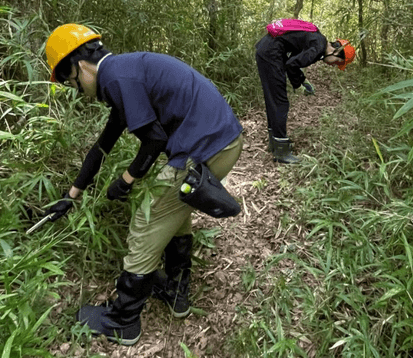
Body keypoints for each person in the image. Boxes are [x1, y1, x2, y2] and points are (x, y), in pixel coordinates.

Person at [43, 23, 244, 346]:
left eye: (72, 83)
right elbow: (102, 147)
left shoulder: (119, 78)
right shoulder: (122, 74)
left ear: (81, 66)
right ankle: (176, 293)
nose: (77, 91)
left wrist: (125, 181)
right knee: (173, 211)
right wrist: (71, 196)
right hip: (220, 142)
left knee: (145, 219)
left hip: (208, 147)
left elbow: (153, 140)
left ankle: (124, 320)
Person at [255, 20, 356, 164]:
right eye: (337, 62)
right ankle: (281, 152)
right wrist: (298, 85)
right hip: (271, 53)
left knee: (274, 100)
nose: (334, 65)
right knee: (280, 102)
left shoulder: (318, 40)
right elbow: (291, 65)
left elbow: (294, 59)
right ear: (337, 52)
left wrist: (303, 80)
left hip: (267, 50)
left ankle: (275, 143)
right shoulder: (319, 47)